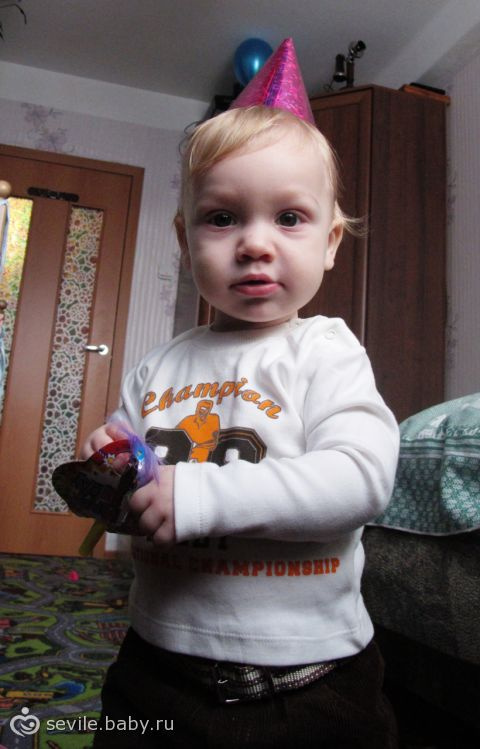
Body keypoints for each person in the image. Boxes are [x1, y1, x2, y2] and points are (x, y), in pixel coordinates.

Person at [83, 39, 399, 749]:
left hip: (308, 683)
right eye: (223, 217)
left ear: (331, 242)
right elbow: (131, 473)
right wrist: (112, 461)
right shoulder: (160, 364)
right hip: (155, 661)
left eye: (289, 218)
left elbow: (361, 477)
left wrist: (200, 497)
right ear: (185, 237)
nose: (255, 243)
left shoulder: (326, 350)